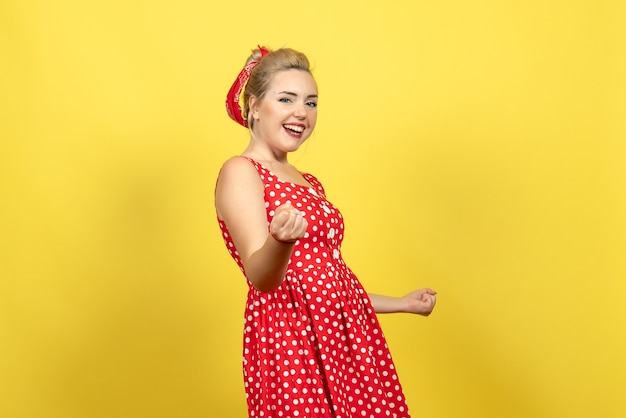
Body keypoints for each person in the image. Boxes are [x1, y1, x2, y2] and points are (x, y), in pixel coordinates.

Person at [215, 45, 437, 418]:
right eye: (286, 99)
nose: (301, 112)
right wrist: (281, 242)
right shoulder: (242, 171)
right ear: (254, 106)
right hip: (293, 340)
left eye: (311, 103)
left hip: (346, 338)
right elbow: (262, 277)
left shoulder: (309, 183)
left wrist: (402, 303)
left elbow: (326, 281)